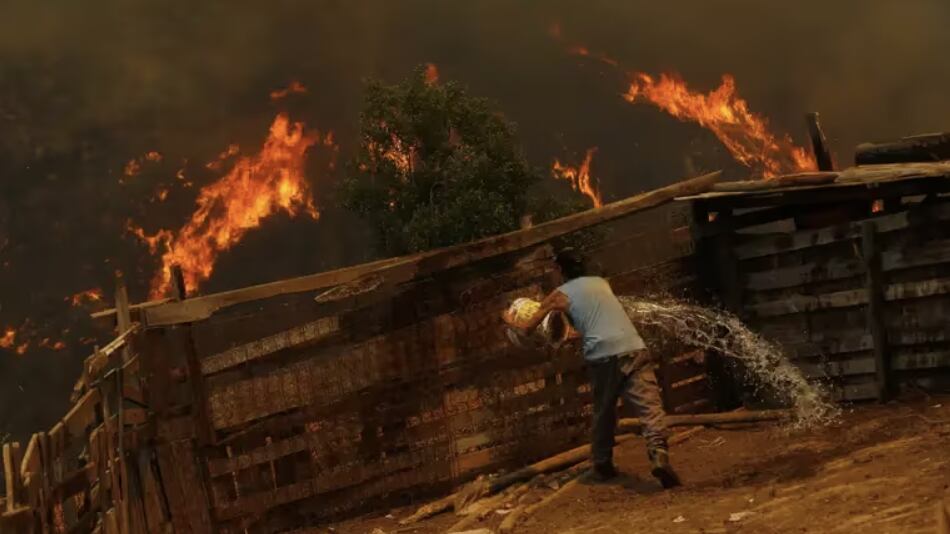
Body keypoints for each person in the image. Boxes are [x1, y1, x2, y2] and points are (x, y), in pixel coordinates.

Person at [502, 248, 681, 487]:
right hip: (633, 346)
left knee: (604, 410)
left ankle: (602, 464)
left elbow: (527, 329)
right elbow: (593, 320)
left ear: (559, 271)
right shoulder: (601, 284)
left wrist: (508, 319)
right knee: (649, 404)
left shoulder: (558, 295)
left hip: (603, 356)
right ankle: (658, 453)